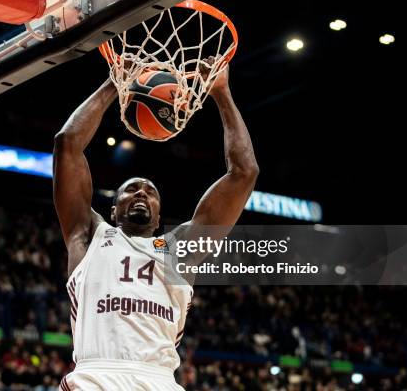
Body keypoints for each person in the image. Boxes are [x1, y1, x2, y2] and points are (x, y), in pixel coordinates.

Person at [53, 61, 258, 390]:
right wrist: (115, 82)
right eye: (131, 190)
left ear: (160, 215)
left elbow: (244, 173)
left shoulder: (179, 249)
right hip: (95, 376)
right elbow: (68, 144)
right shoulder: (88, 234)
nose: (141, 195)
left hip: (158, 381)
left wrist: (221, 93)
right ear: (114, 208)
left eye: (150, 192)